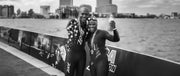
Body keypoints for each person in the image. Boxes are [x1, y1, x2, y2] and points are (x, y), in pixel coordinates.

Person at [65, 7, 90, 76]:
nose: (84, 16)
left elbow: (88, 38)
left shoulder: (88, 27)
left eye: (86, 14)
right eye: (82, 14)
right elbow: (68, 29)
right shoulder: (73, 22)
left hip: (82, 55)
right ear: (79, 14)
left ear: (88, 15)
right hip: (71, 54)